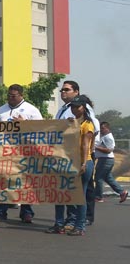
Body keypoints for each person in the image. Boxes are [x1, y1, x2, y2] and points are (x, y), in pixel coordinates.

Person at [46, 95, 95, 236]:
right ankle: (59, 224)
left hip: (82, 162)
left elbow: (86, 145)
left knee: (80, 196)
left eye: (77, 106)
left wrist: (84, 162)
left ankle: (80, 226)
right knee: (60, 194)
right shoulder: (72, 122)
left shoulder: (87, 125)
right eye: (73, 106)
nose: (74, 109)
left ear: (84, 107)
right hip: (67, 161)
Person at [0, 84, 42, 223]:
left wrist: (25, 123)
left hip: (25, 151)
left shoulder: (31, 110)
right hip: (5, 151)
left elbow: (41, 129)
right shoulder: (0, 111)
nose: (10, 98)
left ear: (21, 95)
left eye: (13, 96)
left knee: (26, 183)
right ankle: (0, 210)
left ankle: (26, 212)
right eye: (8, 95)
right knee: (4, 180)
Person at [55, 80, 100, 225]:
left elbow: (92, 132)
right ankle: (70, 219)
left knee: (82, 191)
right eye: (62, 90)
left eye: (67, 90)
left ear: (76, 92)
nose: (63, 92)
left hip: (82, 156)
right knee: (67, 190)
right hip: (66, 154)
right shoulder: (63, 109)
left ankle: (81, 220)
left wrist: (88, 154)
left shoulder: (86, 115)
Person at [94, 122, 128, 203]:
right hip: (103, 159)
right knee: (108, 178)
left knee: (98, 178)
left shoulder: (108, 138)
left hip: (106, 160)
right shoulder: (103, 136)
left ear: (107, 128)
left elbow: (109, 150)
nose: (101, 130)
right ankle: (122, 192)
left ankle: (98, 197)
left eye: (103, 128)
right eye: (100, 128)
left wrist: (95, 147)